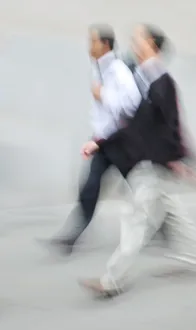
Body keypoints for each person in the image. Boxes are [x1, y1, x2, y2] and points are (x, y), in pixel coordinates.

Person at [78, 24, 196, 296]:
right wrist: (100, 141)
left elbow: (171, 125)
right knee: (172, 212)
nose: (133, 44)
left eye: (137, 39)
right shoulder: (147, 79)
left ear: (150, 43)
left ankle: (111, 281)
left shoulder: (161, 82)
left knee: (135, 218)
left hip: (154, 164)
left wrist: (178, 159)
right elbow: (135, 125)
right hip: (151, 162)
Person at [40, 24, 142, 255]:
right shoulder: (98, 67)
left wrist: (103, 95)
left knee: (142, 189)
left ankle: (164, 225)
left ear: (105, 44)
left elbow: (132, 104)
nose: (89, 45)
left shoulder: (117, 69)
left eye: (93, 41)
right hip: (104, 142)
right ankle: (72, 237)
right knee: (90, 186)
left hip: (121, 143)